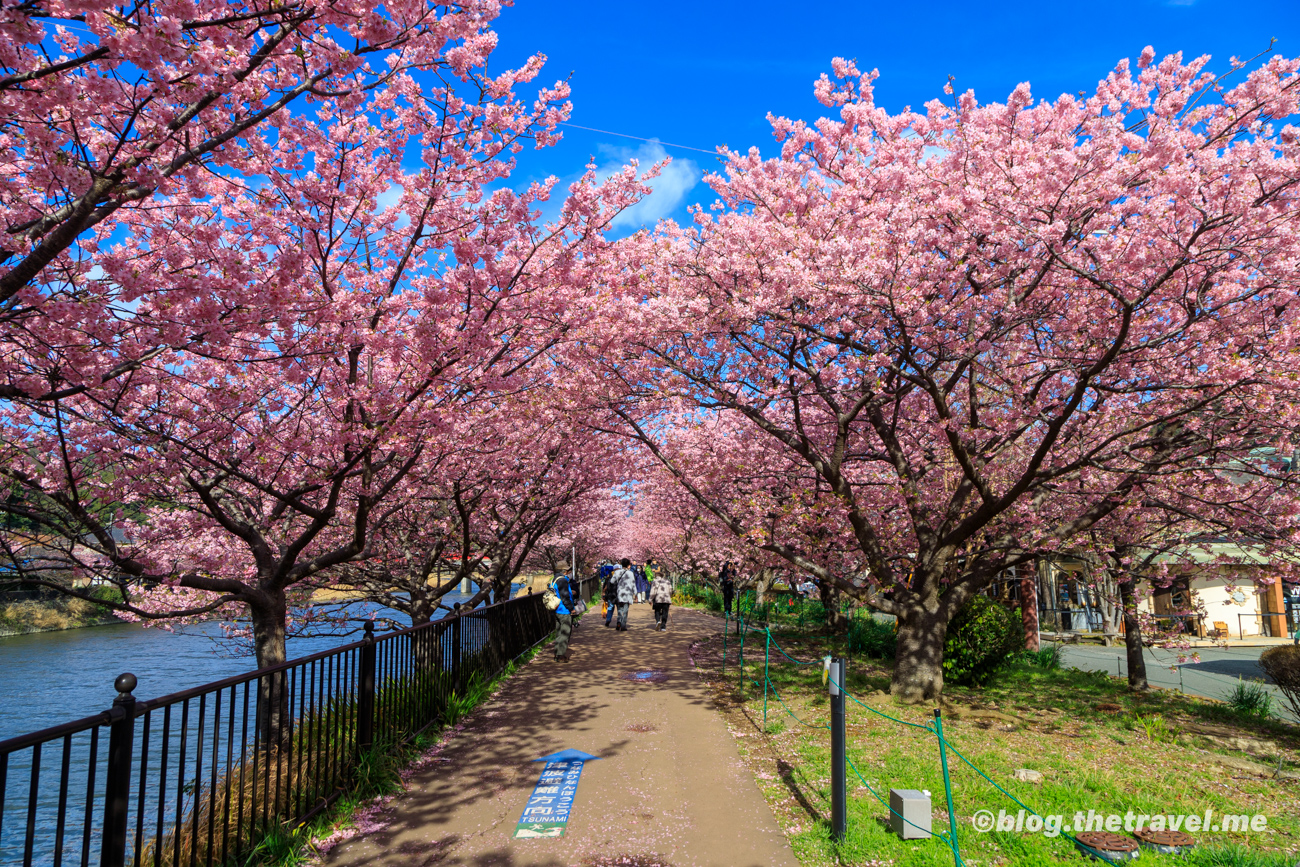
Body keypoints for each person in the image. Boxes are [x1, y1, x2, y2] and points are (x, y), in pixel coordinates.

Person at [549, 571, 578, 662]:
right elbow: (565, 597)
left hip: (557, 610)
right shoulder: (562, 581)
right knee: (565, 633)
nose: (570, 573)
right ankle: (561, 655)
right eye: (569, 571)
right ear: (565, 571)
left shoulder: (554, 579)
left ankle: (557, 653)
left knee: (559, 633)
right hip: (564, 610)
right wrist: (571, 609)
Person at [613, 557, 637, 631]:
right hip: (628, 594)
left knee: (620, 609)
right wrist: (635, 594)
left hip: (620, 592)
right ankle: (623, 625)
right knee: (626, 610)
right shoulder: (630, 573)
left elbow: (612, 581)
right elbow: (633, 584)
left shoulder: (617, 572)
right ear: (628, 565)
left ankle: (619, 622)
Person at [603, 562, 619, 627]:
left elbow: (605, 586)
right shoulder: (620, 575)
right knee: (619, 609)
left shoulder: (609, 575)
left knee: (610, 608)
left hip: (610, 594)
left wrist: (603, 592)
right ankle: (619, 622)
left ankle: (608, 620)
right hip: (618, 594)